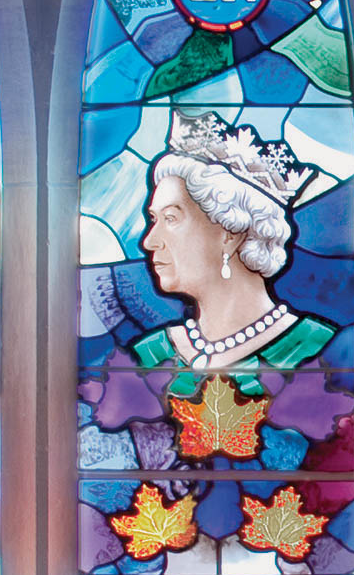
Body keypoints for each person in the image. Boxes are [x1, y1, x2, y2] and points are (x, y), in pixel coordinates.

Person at [133, 113, 334, 377]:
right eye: (153, 219)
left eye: (171, 218)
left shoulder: (315, 352)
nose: (148, 242)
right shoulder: (150, 356)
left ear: (230, 233)